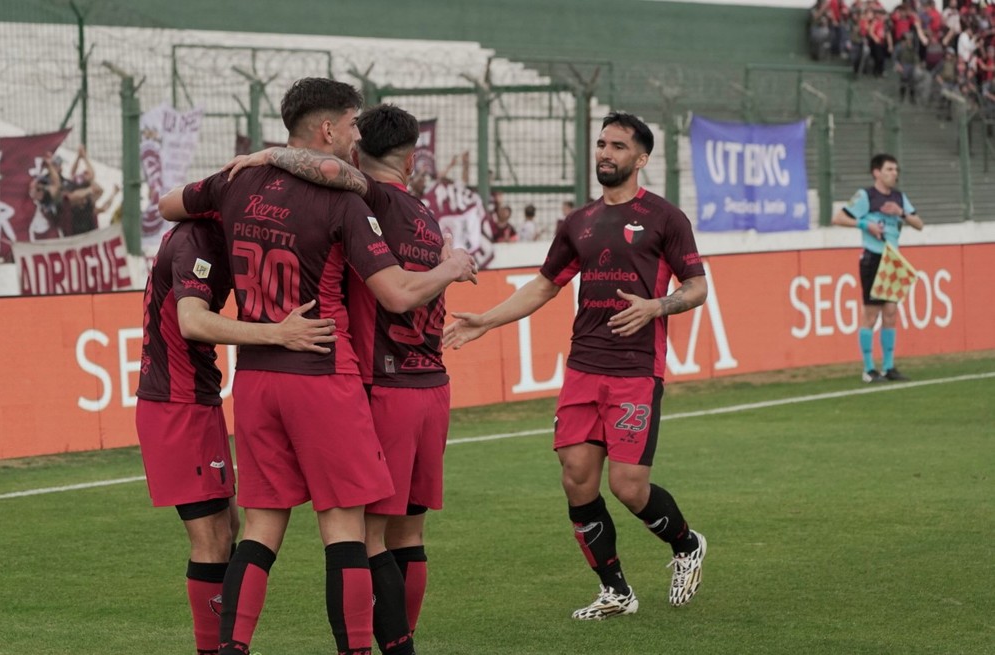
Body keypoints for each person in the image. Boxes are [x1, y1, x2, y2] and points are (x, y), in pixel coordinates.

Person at [159, 77, 476, 655]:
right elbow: (398, 295)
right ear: (329, 129)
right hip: (322, 369)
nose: (358, 136)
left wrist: (258, 164)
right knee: (345, 530)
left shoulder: (236, 180)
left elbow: (168, 205)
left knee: (259, 529)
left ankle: (230, 649)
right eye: (353, 124)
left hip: (255, 377)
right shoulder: (344, 200)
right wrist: (453, 266)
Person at [444, 112, 710, 621]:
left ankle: (687, 544)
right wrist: (487, 322)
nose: (605, 153)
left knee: (628, 486)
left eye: (617, 146)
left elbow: (697, 288)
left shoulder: (666, 217)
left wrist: (657, 306)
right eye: (601, 144)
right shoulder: (578, 223)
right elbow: (545, 284)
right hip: (584, 366)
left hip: (635, 369)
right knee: (576, 478)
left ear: (641, 158)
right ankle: (616, 591)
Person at [223, 103, 453, 650]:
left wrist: (268, 155)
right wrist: (451, 266)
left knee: (360, 536)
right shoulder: (425, 215)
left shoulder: (365, 197)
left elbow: (327, 174)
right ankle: (402, 642)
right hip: (430, 383)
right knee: (408, 534)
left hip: (372, 383)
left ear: (355, 150)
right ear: (413, 157)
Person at [136, 219, 338, 655]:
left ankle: (225, 645)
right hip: (176, 405)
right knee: (210, 540)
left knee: (226, 530)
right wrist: (278, 334)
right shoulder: (197, 241)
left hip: (195, 401)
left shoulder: (209, 234)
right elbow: (192, 321)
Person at [831, 153, 924, 383]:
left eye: (896, 170)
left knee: (891, 313)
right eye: (889, 169)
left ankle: (889, 366)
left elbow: (919, 223)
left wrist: (901, 213)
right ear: (877, 172)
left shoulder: (899, 198)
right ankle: (869, 368)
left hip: (892, 261)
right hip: (873, 258)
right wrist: (865, 224)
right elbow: (839, 218)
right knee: (871, 314)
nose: (894, 174)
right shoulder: (866, 196)